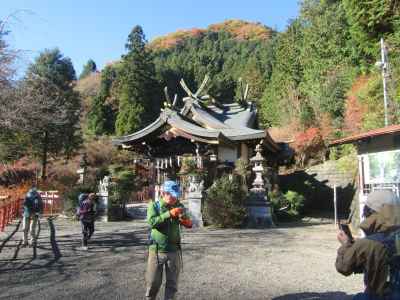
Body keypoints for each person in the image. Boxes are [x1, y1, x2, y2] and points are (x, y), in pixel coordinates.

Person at [335, 190, 400, 300]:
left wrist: (346, 244)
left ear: (370, 212)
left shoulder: (367, 244)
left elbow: (343, 268)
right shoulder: (368, 244)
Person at [145, 180, 193, 300]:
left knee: (172, 285)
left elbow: (189, 223)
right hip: (156, 251)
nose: (174, 198)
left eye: (175, 195)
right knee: (152, 284)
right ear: (163, 193)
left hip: (174, 251)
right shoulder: (154, 205)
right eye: (171, 194)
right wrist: (169, 214)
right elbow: (152, 222)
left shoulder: (179, 206)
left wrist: (185, 221)